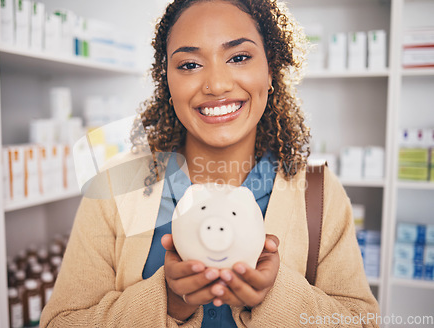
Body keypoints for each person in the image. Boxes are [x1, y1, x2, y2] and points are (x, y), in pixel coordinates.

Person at [40, 0, 380, 327]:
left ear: (271, 69)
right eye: (189, 64)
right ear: (167, 83)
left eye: (239, 57)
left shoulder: (318, 192)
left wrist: (272, 295)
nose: (216, 85)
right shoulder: (117, 185)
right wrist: (168, 301)